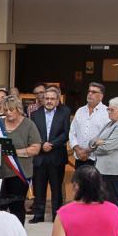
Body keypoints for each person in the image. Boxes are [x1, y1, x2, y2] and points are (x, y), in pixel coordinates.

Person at [0, 94, 43, 222]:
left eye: (11, 110)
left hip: (19, 173)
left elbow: (36, 148)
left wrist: (14, 152)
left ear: (18, 109)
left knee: (17, 208)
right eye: (5, 110)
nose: (8, 113)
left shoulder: (29, 124)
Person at [29, 86, 71, 223]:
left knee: (56, 188)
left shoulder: (64, 113)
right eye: (46, 98)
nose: (49, 101)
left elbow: (66, 133)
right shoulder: (35, 114)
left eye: (52, 99)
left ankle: (57, 216)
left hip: (56, 155)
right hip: (39, 156)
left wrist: (51, 144)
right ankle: (38, 215)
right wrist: (42, 145)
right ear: (43, 99)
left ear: (57, 100)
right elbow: (32, 134)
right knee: (39, 187)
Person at [86, 97, 118, 206]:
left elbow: (108, 147)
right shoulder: (109, 124)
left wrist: (96, 146)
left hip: (113, 171)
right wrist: (97, 142)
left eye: (112, 110)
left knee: (113, 202)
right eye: (109, 109)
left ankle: (116, 223)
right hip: (102, 169)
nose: (109, 112)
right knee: (102, 201)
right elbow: (92, 141)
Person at [69, 81, 107, 166]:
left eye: (93, 92)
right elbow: (72, 132)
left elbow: (106, 138)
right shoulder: (80, 111)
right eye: (89, 91)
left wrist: (87, 151)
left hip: (97, 160)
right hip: (79, 158)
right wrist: (78, 150)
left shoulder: (107, 113)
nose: (90, 94)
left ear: (101, 96)